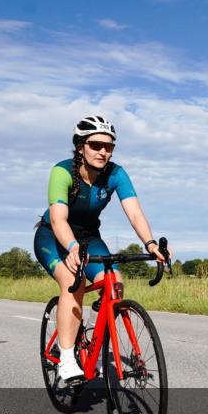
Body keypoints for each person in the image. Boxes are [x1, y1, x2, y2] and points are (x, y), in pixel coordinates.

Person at [34, 115, 170, 384]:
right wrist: (71, 247)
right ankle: (68, 358)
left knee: (115, 284)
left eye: (109, 146)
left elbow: (135, 214)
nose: (103, 151)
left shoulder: (116, 174)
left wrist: (151, 244)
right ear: (80, 147)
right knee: (73, 283)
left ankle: (94, 348)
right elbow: (59, 219)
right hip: (53, 236)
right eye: (96, 145)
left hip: (89, 237)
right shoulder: (62, 172)